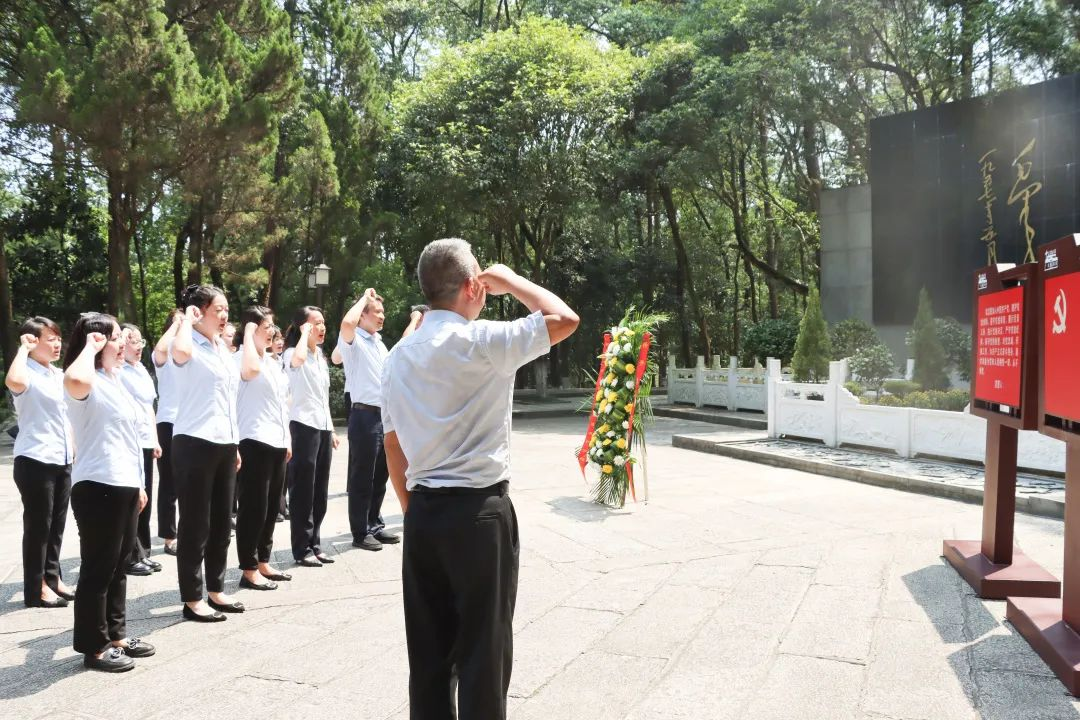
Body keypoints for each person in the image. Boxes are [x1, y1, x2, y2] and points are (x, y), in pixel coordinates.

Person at [382, 238, 578, 719]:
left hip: (425, 512)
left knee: (428, 656)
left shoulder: (398, 356)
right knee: (482, 655)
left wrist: (415, 510)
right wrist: (511, 280)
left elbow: (392, 446)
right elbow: (564, 319)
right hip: (479, 514)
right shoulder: (486, 341)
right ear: (473, 286)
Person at [64, 313, 156, 672]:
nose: (122, 344)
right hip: (97, 485)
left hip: (124, 485)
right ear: (97, 341)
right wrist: (90, 344)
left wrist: (140, 485)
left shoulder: (113, 380)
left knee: (119, 567)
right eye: (116, 338)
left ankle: (116, 635)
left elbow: (129, 439)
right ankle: (94, 646)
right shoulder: (82, 379)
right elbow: (74, 376)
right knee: (98, 569)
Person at [171, 284, 260, 621]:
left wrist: (234, 444)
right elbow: (178, 356)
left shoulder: (221, 349)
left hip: (224, 443)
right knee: (196, 523)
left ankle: (215, 589)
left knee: (223, 522)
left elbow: (228, 400)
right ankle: (192, 598)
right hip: (194, 441)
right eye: (217, 309)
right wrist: (185, 320)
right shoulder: (186, 343)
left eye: (225, 310)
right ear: (199, 311)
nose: (224, 316)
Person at [6, 316, 75, 608]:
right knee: (38, 526)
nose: (57, 343)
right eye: (50, 339)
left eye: (58, 337)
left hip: (61, 457)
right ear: (32, 342)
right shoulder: (26, 373)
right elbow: (14, 381)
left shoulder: (57, 375)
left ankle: (53, 577)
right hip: (35, 458)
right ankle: (36, 589)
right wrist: (22, 349)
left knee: (57, 525)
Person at [233, 306, 292, 590]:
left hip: (277, 441)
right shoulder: (240, 359)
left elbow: (282, 403)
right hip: (253, 439)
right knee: (253, 507)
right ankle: (248, 566)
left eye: (272, 326)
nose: (271, 331)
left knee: (271, 507)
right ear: (250, 329)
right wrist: (247, 334)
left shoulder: (273, 361)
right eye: (265, 326)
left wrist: (288, 439)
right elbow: (250, 371)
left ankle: (263, 560)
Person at [338, 288, 396, 551]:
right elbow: (347, 323)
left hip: (383, 415)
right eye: (377, 312)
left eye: (383, 311)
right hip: (364, 415)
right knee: (363, 476)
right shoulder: (353, 341)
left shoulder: (379, 343)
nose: (382, 316)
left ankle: (375, 524)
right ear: (363, 316)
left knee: (380, 475)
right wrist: (364, 297)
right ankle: (360, 532)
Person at [283, 306, 339, 567]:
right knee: (303, 489)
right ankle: (301, 548)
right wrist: (304, 335)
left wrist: (332, 431)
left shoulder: (321, 358)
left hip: (322, 427)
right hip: (303, 426)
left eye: (323, 322)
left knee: (320, 490)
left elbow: (323, 396)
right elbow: (298, 361)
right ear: (303, 327)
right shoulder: (292, 353)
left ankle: (315, 543)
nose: (322, 327)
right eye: (316, 323)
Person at [118, 324, 163, 577]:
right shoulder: (118, 372)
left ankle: (143, 551)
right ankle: (131, 554)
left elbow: (149, 407)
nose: (137, 347)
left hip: (145, 440)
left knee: (146, 500)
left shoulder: (141, 370)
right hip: (130, 441)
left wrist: (155, 439)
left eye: (139, 341)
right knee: (134, 500)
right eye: (131, 341)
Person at [153, 310, 183, 556]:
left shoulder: (191, 350)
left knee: (190, 482)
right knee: (169, 482)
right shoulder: (164, 354)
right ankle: (169, 536)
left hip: (191, 423)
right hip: (168, 422)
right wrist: (176, 324)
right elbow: (161, 348)